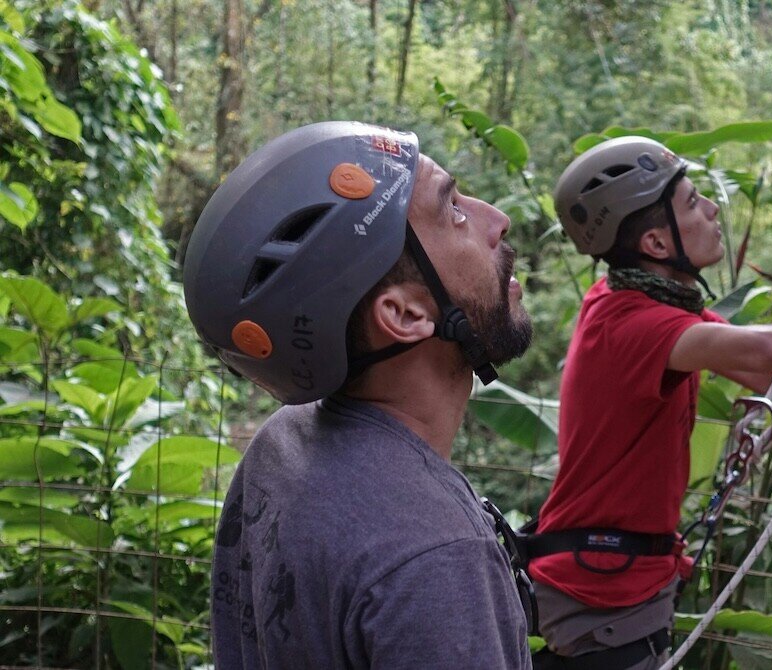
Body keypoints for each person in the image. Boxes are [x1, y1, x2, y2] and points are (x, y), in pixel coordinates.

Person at [183, 121, 535, 669]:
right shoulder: (436, 558)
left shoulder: (283, 444)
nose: (496, 219)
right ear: (406, 314)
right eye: (454, 210)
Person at [526, 136, 772, 669]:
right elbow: (769, 350)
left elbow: (758, 370)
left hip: (612, 581)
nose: (711, 208)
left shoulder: (644, 304)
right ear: (657, 243)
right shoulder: (635, 325)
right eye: (691, 202)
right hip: (603, 591)